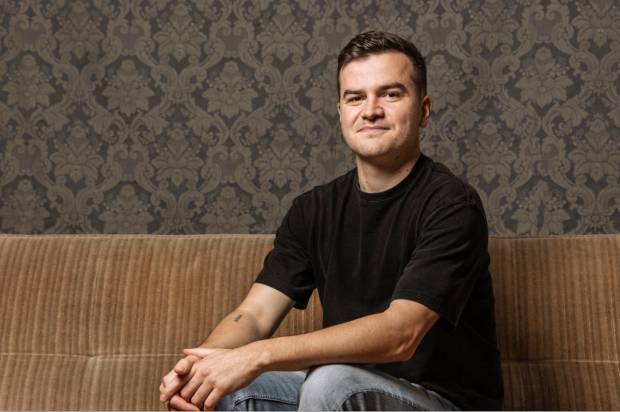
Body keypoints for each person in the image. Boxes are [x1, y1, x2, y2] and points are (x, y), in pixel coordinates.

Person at [159, 30, 503, 411]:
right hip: (342, 394)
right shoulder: (314, 209)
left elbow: (400, 334)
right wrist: (201, 366)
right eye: (355, 98)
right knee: (222, 390)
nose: (370, 110)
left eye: (390, 94)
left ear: (423, 110)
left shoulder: (452, 204)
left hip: (442, 403)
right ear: (341, 112)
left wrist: (258, 355)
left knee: (331, 381)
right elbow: (254, 315)